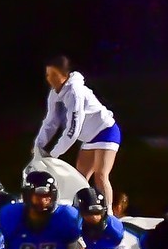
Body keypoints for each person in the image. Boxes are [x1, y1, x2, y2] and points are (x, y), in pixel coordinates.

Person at [34, 56, 120, 210]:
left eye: (54, 75)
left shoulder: (75, 92)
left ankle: (108, 213)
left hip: (105, 131)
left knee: (100, 175)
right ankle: (79, 211)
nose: (50, 79)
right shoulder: (54, 94)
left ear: (64, 75)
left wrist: (53, 154)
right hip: (89, 138)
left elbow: (73, 129)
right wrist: (38, 146)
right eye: (47, 75)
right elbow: (51, 122)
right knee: (79, 178)